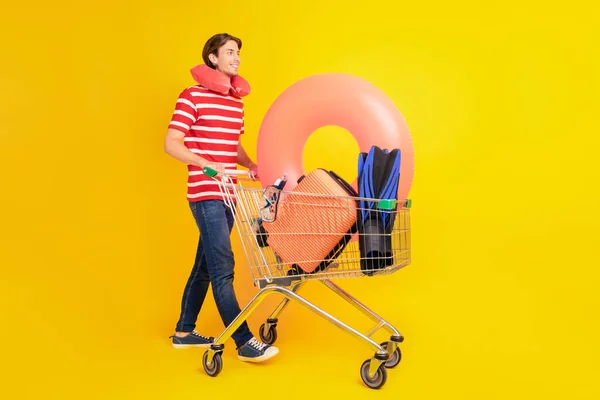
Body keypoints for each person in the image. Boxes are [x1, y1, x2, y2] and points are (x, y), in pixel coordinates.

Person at [164, 33, 279, 363]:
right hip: (205, 193)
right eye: (229, 52)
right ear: (212, 59)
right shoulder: (191, 97)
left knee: (205, 264)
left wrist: (251, 164)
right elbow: (172, 143)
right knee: (223, 267)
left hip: (230, 195)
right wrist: (204, 164)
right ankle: (243, 341)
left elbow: (233, 147)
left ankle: (184, 332)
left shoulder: (236, 102)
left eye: (238, 52)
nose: (236, 57)